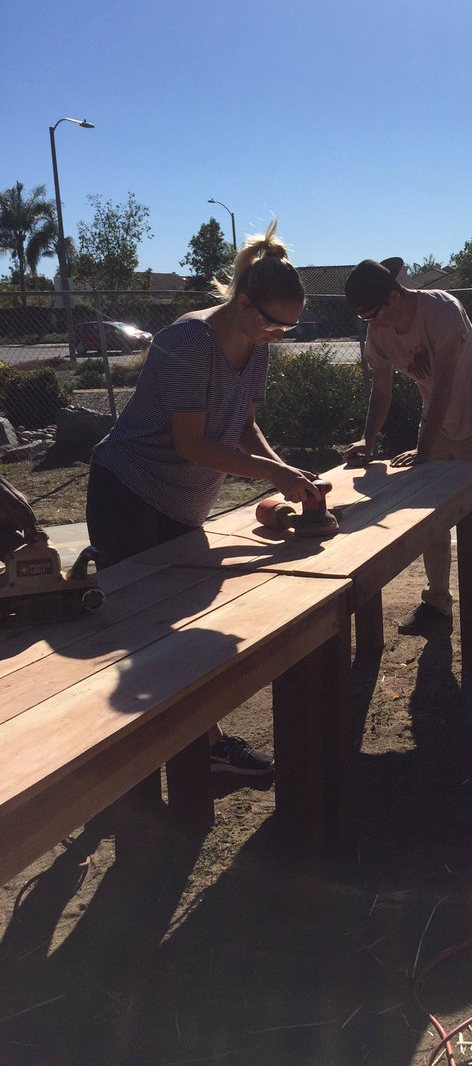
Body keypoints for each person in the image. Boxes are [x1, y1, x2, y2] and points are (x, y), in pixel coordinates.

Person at [87, 221, 321, 777]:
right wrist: (272, 472)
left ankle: (199, 750)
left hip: (180, 502)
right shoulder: (186, 340)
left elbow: (243, 430)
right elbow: (191, 442)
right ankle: (145, 762)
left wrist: (283, 471)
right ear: (243, 301)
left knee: (179, 632)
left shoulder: (258, 343)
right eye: (273, 321)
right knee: (147, 633)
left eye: (288, 326)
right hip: (129, 490)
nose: (278, 334)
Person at [342, 257, 472, 640]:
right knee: (432, 519)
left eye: (374, 316)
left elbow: (443, 386)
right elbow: (381, 390)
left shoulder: (443, 310)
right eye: (365, 321)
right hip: (437, 427)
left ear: (394, 297)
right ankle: (437, 605)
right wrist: (369, 440)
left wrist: (423, 451)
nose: (373, 327)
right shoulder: (379, 332)